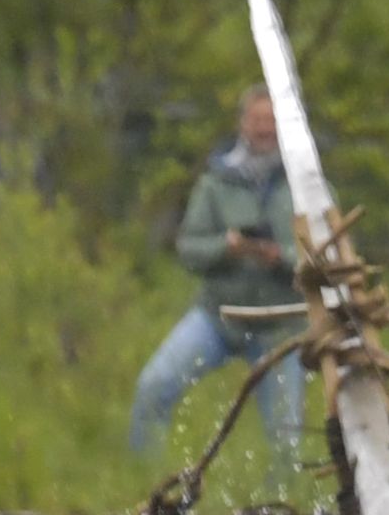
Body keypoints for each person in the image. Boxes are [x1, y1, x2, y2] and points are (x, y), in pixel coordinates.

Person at [128, 91, 305, 456]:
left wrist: (282, 257)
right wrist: (227, 248)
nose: (264, 129)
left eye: (271, 121)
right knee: (153, 387)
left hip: (280, 327)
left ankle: (284, 509)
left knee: (286, 439)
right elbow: (189, 249)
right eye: (257, 120)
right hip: (218, 316)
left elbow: (326, 257)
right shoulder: (217, 181)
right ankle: (145, 487)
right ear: (243, 124)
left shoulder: (306, 183)